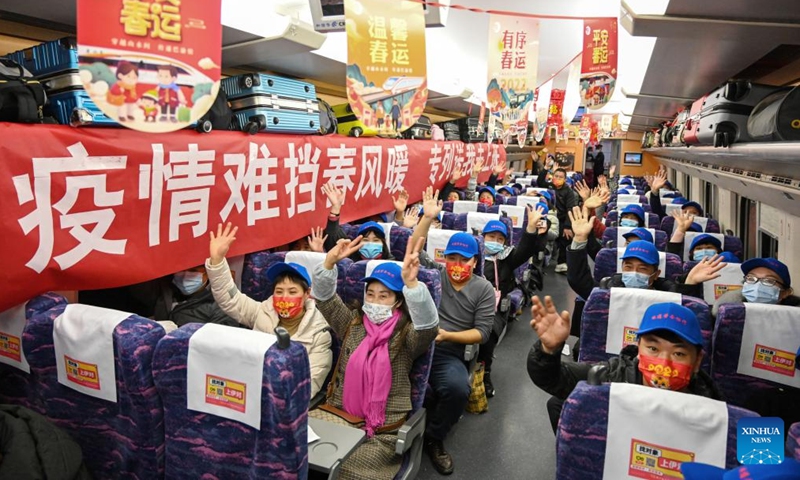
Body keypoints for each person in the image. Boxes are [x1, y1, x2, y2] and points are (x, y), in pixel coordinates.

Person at [309, 236, 438, 480]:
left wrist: (412, 286)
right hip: (338, 415)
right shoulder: (352, 323)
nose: (375, 301)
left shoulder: (406, 335)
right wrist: (328, 263)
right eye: (371, 294)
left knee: (347, 469)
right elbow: (324, 299)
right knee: (297, 454)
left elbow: (427, 327)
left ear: (398, 301)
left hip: (381, 431)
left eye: (384, 296)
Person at [528, 298, 723, 433]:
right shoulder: (612, 376)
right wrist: (548, 350)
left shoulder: (716, 411)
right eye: (653, 349)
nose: (664, 363)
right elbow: (553, 379)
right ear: (638, 349)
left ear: (697, 360)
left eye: (678, 353)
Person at [411, 186, 495, 475]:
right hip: (418, 342)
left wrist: (447, 336)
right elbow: (413, 250)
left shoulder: (483, 289)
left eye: (464, 260)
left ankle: (435, 437)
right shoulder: (435, 275)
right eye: (453, 259)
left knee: (458, 389)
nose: (457, 265)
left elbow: (482, 333)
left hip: (448, 349)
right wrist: (426, 218)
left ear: (474, 261)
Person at [206, 223, 332, 397]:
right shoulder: (262, 312)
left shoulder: (319, 333)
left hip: (283, 402)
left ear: (307, 294)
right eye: (279, 291)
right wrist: (218, 262)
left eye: (292, 292)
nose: (284, 297)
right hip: (247, 391)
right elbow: (230, 299)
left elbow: (308, 385)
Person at [478, 206, 549, 397]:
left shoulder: (506, 258)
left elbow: (525, 250)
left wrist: (531, 228)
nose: (495, 242)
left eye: (499, 239)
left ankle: (485, 371)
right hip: (468, 304)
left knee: (487, 333)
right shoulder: (472, 256)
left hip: (493, 309)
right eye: (491, 237)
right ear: (482, 237)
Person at [321, 183, 393, 260]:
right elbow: (332, 234)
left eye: (376, 240)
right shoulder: (349, 259)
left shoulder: (392, 264)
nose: (370, 244)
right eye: (365, 240)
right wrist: (336, 207)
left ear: (383, 244)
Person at [153, 265, 238, 328]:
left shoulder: (222, 306)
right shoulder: (165, 293)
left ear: (208, 273)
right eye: (181, 270)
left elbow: (218, 343)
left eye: (193, 270)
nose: (185, 275)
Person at [712, 257, 800, 316]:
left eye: (769, 281)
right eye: (751, 278)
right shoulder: (727, 315)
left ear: (785, 293)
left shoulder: (794, 319)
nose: (757, 285)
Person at [551, 168, 579, 273]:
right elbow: (540, 181)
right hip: (548, 217)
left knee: (566, 236)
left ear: (565, 179)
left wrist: (567, 226)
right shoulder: (549, 187)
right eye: (556, 176)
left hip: (562, 218)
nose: (558, 178)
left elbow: (570, 209)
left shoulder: (569, 192)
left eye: (560, 177)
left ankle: (561, 263)